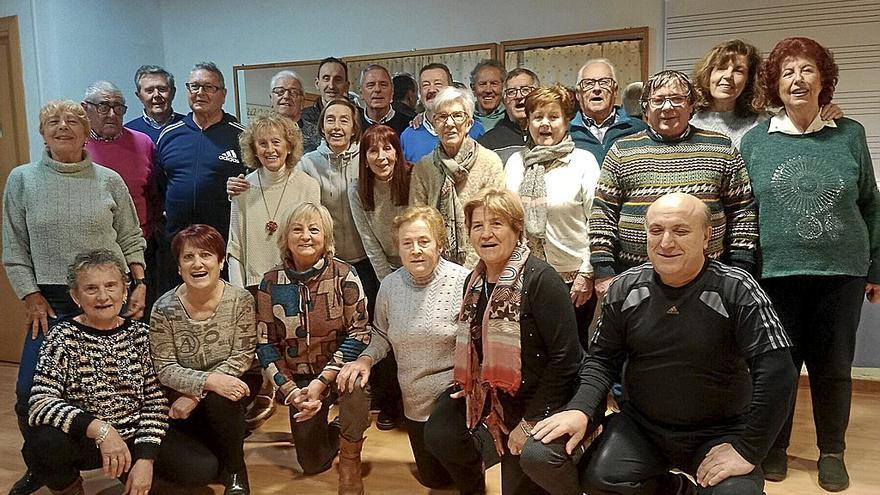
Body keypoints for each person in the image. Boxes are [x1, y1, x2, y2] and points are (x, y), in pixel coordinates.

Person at [533, 193, 798, 495]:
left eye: (681, 231)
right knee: (600, 480)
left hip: (721, 430)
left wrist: (749, 450)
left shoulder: (737, 288)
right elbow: (601, 360)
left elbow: (778, 373)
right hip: (643, 427)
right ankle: (678, 489)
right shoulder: (624, 288)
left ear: (706, 236)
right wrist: (580, 409)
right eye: (656, 231)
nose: (666, 242)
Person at [740, 37, 880, 492]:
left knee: (833, 365)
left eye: (806, 70)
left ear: (824, 80)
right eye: (787, 73)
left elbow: (871, 204)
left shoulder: (850, 133)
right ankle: (774, 447)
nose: (797, 80)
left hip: (841, 271)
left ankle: (832, 451)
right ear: (775, 86)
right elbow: (745, 209)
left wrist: (876, 268)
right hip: (773, 273)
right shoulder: (756, 141)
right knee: (777, 365)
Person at [3, 99, 146, 495]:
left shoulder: (108, 179)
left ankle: (128, 456)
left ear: (87, 132)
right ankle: (45, 465)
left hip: (108, 295)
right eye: (53, 121)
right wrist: (30, 295)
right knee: (29, 391)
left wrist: (139, 282)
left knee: (121, 386)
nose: (62, 127)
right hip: (50, 301)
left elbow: (132, 238)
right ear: (42, 131)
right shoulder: (22, 180)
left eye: (72, 122)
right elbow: (14, 246)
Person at [423, 188, 584, 495]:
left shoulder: (542, 279)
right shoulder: (474, 282)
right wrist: (472, 388)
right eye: (477, 225)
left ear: (516, 228)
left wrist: (529, 422)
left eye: (496, 223)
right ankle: (474, 485)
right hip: (493, 394)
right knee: (441, 430)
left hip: (541, 398)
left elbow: (567, 359)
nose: (486, 233)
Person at [589, 70, 758, 297]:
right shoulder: (621, 151)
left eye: (677, 99)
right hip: (635, 280)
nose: (667, 107)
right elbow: (603, 213)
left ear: (691, 106)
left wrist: (740, 268)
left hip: (709, 281)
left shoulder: (721, 148)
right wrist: (603, 270)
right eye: (657, 100)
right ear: (646, 109)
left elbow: (742, 212)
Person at [338, 205, 470, 490]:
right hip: (413, 397)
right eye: (407, 243)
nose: (416, 250)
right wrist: (364, 360)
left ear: (440, 244)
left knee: (462, 475)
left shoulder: (464, 282)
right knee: (434, 480)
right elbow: (381, 335)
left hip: (454, 395)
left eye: (424, 241)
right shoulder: (389, 286)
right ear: (398, 248)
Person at [25, 250, 168, 495]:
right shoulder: (62, 337)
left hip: (133, 436)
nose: (102, 296)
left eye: (111, 286)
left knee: (199, 469)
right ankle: (70, 489)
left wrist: (146, 459)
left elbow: (155, 402)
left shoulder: (141, 335)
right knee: (42, 444)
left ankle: (134, 471)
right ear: (75, 296)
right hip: (86, 439)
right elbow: (40, 403)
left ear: (124, 291)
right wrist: (101, 429)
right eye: (91, 289)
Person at [255, 202, 371, 495]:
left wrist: (323, 382)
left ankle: (350, 457)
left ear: (326, 238)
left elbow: (360, 333)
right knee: (312, 462)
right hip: (299, 382)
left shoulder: (345, 275)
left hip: (337, 372)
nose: (305, 236)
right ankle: (340, 425)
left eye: (314, 229)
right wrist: (291, 391)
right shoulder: (270, 283)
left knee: (357, 384)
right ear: (285, 238)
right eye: (297, 229)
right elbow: (265, 344)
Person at [149, 224, 258, 494]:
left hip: (234, 383)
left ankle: (236, 470)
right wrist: (207, 382)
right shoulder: (163, 308)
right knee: (199, 463)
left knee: (224, 396)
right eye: (188, 257)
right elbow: (164, 367)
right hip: (181, 392)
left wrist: (201, 392)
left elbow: (243, 355)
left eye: (206, 255)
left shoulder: (240, 300)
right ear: (178, 267)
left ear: (220, 262)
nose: (197, 263)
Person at [505, 84, 601, 350]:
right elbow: (509, 220)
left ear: (566, 121)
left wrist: (587, 273)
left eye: (553, 116)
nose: (545, 124)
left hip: (573, 279)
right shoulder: (516, 163)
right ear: (528, 123)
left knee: (570, 350)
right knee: (533, 350)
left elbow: (598, 222)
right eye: (537, 117)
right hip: (526, 276)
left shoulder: (583, 162)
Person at [155, 61, 246, 294]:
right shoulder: (169, 135)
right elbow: (160, 186)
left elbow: (254, 186)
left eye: (208, 87)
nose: (200, 93)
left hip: (222, 247)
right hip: (176, 246)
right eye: (194, 86)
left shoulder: (241, 136)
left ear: (223, 95)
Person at [82, 80, 161, 318]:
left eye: (119, 107)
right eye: (103, 107)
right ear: (86, 109)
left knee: (140, 318)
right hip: (95, 255)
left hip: (142, 248)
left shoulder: (143, 142)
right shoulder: (78, 147)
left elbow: (155, 193)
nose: (112, 114)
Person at [409, 86, 505, 268]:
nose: (449, 123)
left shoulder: (490, 162)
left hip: (482, 262)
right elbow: (417, 219)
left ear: (469, 123)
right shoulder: (424, 166)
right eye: (442, 117)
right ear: (434, 124)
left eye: (457, 116)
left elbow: (495, 220)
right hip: (436, 264)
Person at [691, 39, 842, 149]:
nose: (728, 76)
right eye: (721, 68)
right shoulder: (688, 121)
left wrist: (826, 112)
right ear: (708, 74)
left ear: (749, 80)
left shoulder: (766, 122)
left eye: (739, 70)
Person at [227, 114, 320, 289]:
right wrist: (240, 297)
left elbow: (314, 245)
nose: (270, 150)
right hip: (255, 288)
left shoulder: (309, 186)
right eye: (262, 144)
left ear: (289, 146)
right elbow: (235, 250)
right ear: (254, 150)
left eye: (276, 142)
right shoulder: (242, 189)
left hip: (299, 284)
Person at [401, 63, 486, 163]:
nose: (431, 89)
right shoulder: (408, 136)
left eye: (438, 84)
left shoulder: (474, 129)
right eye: (425, 85)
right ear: (420, 91)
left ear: (451, 88)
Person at [569, 58, 648, 163]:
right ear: (578, 94)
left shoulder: (639, 130)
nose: (597, 88)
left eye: (604, 82)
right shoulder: (567, 133)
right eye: (588, 83)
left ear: (615, 91)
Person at [478, 68, 541, 164]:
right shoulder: (488, 143)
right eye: (511, 92)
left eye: (525, 90)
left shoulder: (549, 135)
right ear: (504, 100)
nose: (519, 96)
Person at [301, 57, 350, 153]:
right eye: (326, 78)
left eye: (338, 79)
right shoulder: (302, 119)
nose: (331, 85)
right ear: (317, 83)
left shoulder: (358, 117)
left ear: (346, 86)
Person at [125, 65, 185, 143]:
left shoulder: (189, 126)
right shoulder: (128, 132)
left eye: (162, 89)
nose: (156, 95)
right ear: (139, 96)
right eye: (149, 90)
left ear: (173, 93)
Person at [267, 69, 319, 149]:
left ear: (302, 101)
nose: (286, 96)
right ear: (271, 99)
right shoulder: (259, 133)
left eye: (293, 92)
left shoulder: (317, 135)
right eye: (280, 91)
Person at [358, 64, 412, 135]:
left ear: (392, 91)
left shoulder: (409, 125)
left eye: (383, 85)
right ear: (361, 93)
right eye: (370, 85)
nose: (377, 89)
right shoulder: (354, 125)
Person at [470, 59, 507, 131]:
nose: (488, 90)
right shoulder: (465, 117)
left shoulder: (511, 117)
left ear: (503, 87)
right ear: (473, 89)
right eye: (482, 84)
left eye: (494, 84)